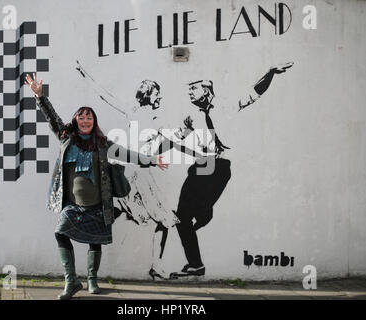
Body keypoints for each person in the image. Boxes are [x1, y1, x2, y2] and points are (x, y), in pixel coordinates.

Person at [24, 73, 169, 300]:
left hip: (98, 204)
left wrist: (153, 160)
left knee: (95, 241)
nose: (85, 121)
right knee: (60, 232)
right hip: (72, 205)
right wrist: (40, 97)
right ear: (75, 121)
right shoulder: (66, 138)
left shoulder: (103, 144)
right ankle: (71, 280)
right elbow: (52, 118)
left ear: (94, 122)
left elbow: (128, 154)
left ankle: (91, 279)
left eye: (89, 117)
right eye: (81, 117)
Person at [156, 63, 294, 278]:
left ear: (207, 89)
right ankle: (196, 264)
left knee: (195, 214)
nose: (189, 91)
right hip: (201, 165)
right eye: (188, 88)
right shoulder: (191, 117)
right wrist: (155, 151)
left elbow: (254, 92)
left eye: (194, 87)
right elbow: (176, 137)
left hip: (219, 166)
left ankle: (204, 214)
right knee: (181, 217)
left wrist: (269, 73)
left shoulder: (226, 106)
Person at [114, 80, 180, 280]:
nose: (159, 97)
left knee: (158, 218)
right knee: (163, 219)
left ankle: (156, 266)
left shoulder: (137, 113)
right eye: (156, 94)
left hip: (134, 172)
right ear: (148, 94)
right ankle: (156, 266)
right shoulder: (152, 117)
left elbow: (172, 140)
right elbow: (173, 141)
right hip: (137, 174)